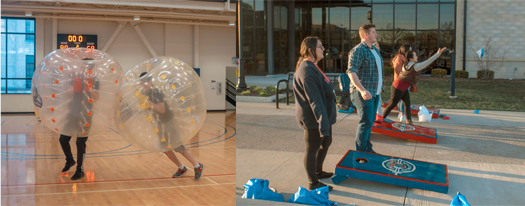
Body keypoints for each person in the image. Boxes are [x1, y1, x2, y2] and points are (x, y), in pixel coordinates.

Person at [139, 72, 204, 180]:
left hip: (168, 121)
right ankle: (181, 167)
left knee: (177, 146)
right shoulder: (146, 94)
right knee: (165, 148)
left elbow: (162, 109)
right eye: (142, 82)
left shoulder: (156, 92)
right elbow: (150, 110)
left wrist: (149, 102)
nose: (144, 84)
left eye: (145, 82)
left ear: (150, 81)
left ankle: (197, 166)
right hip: (160, 123)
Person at [293, 36, 336, 191]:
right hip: (313, 119)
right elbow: (314, 100)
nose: (323, 49)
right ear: (310, 49)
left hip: (322, 116)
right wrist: (322, 123)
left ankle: (318, 170)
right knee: (312, 148)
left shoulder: (312, 66)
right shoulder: (307, 70)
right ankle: (313, 182)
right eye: (320, 46)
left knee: (326, 142)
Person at [382, 47, 447, 124]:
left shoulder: (407, 64)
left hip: (403, 87)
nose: (417, 57)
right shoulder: (415, 67)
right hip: (398, 87)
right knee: (392, 104)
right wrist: (438, 54)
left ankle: (409, 121)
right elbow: (428, 62)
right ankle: (381, 118)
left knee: (407, 103)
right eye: (415, 55)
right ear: (411, 58)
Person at [346, 23, 383, 153]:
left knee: (369, 123)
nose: (376, 34)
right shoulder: (357, 50)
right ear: (366, 34)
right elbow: (351, 72)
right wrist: (362, 89)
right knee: (365, 123)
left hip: (374, 93)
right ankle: (360, 154)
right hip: (362, 92)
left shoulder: (375, 50)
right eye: (373, 32)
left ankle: (367, 149)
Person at [60, 58, 99, 180]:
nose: (82, 69)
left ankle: (80, 169)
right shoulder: (75, 78)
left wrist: (91, 89)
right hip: (73, 112)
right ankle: (70, 160)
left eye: (84, 67)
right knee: (63, 139)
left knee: (80, 142)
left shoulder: (95, 80)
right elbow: (68, 94)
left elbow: (97, 97)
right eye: (81, 67)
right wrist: (70, 84)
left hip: (86, 115)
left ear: (90, 69)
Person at [391, 44, 412, 122]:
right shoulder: (399, 58)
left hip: (405, 81)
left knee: (401, 99)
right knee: (404, 99)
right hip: (402, 81)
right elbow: (398, 70)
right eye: (410, 49)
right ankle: (402, 114)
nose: (411, 50)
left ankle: (401, 113)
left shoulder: (406, 58)